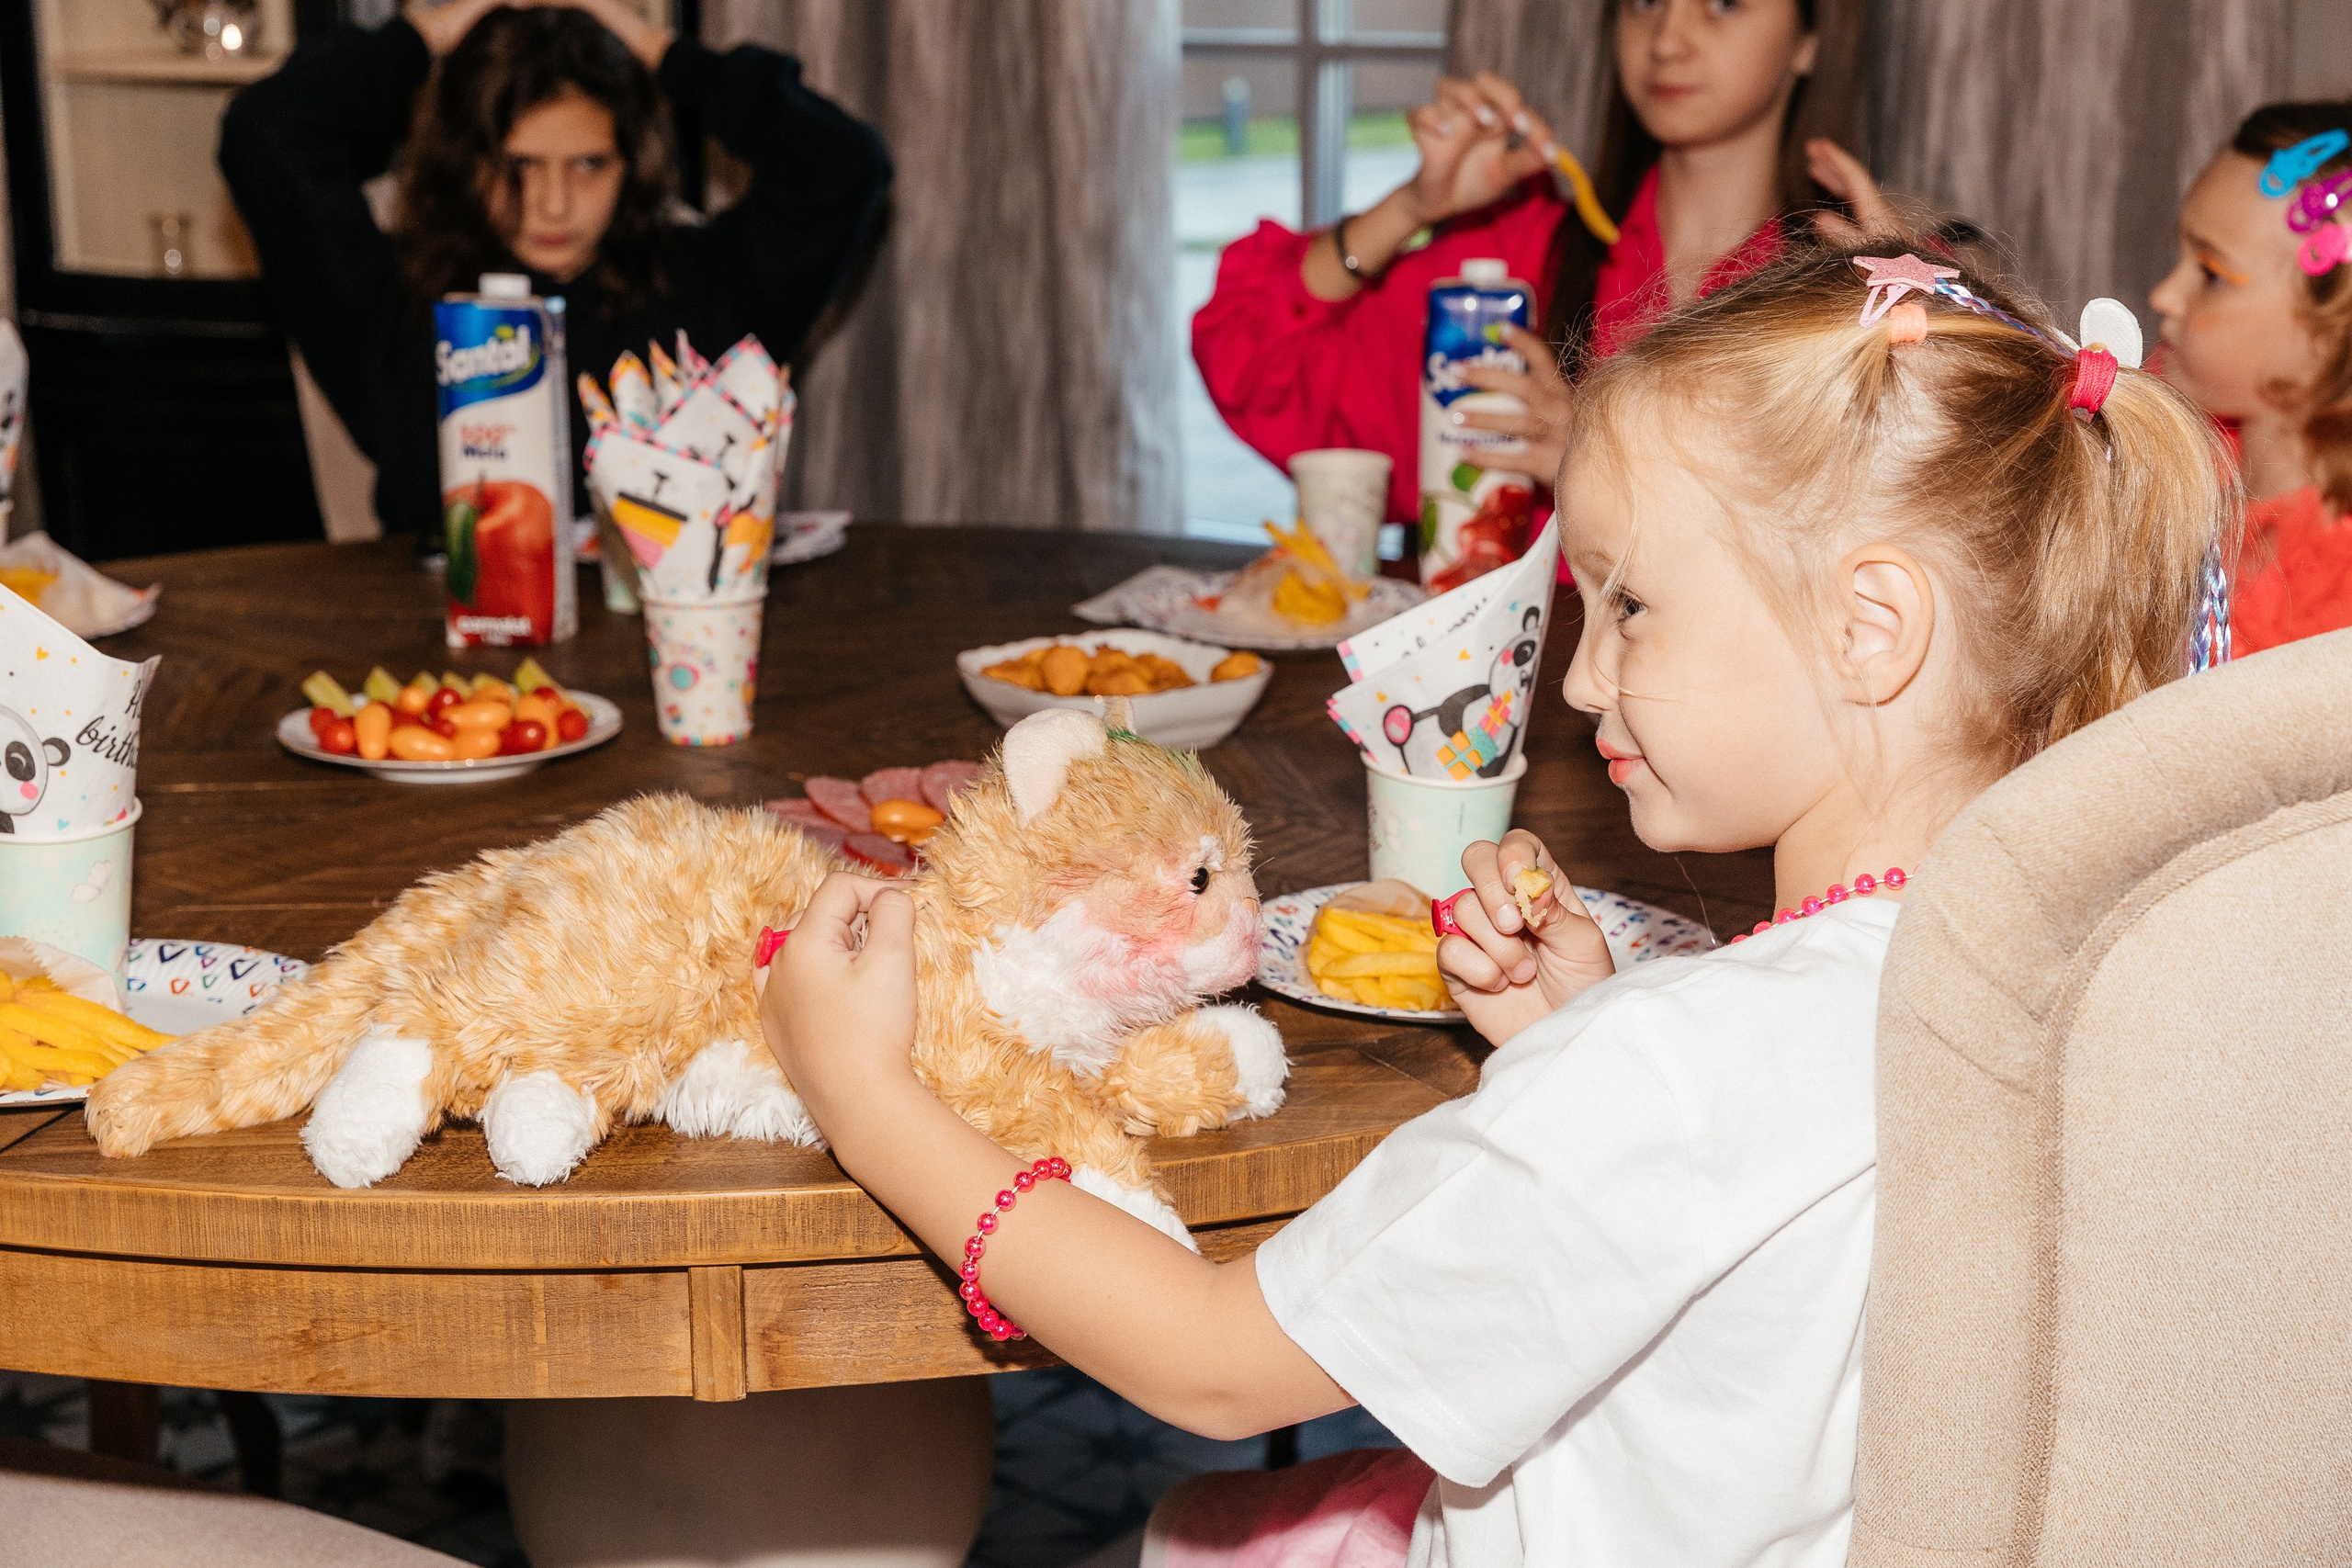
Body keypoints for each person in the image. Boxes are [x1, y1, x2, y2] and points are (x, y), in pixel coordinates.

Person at [755, 244, 2232, 1568]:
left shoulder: (1678, 1068)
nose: (1580, 679)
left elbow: (1210, 1361)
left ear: (1871, 627)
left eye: (1630, 605)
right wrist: (1585, 1027)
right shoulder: (2073, 979)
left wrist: (863, 1087)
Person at [1192, 0, 1888, 531]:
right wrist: (1410, 206)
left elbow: (1880, 559)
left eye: (1725, 3)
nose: (1667, 41)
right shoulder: (1516, 258)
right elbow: (1246, 350)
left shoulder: (1862, 287)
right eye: (1645, 1)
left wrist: (1593, 463)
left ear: (1810, 37)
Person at [220, 0, 889, 547]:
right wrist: (434, 32)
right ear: (467, 162)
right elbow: (265, 132)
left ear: (633, 163)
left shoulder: (703, 288)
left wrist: (649, 45)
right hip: (441, 648)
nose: (552, 204)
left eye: (589, 164)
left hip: (666, 645)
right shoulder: (400, 302)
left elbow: (845, 166)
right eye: (518, 166)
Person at [2152, 101, 2352, 656]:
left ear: (2331, 333)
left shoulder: (2334, 616)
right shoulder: (2171, 447)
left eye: (2212, 274)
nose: (2163, 295)